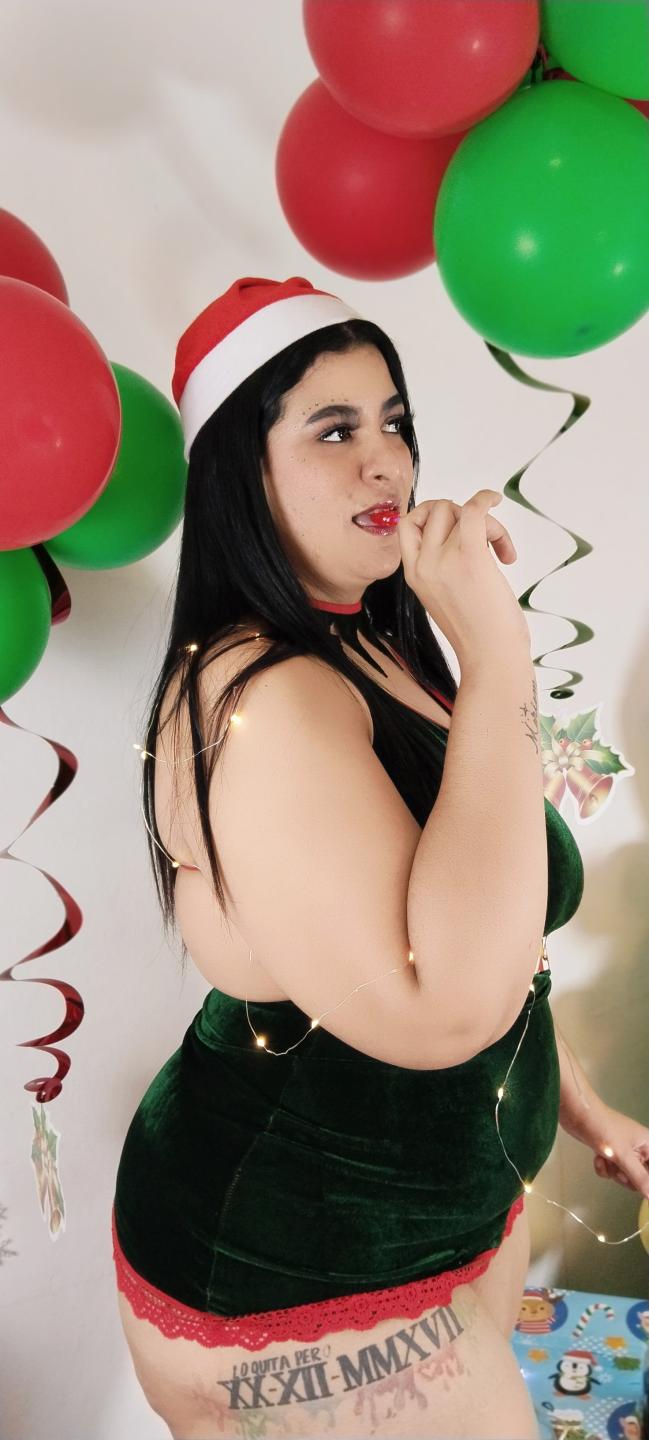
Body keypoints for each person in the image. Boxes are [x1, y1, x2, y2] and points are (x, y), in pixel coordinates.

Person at [110, 275, 584, 1440]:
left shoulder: (368, 638)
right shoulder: (264, 699)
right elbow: (442, 1004)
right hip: (295, 1264)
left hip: (435, 1213)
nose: (387, 464)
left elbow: (491, 925)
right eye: (332, 431)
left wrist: (571, 1103)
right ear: (240, 473)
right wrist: (501, 654)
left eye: (394, 422)